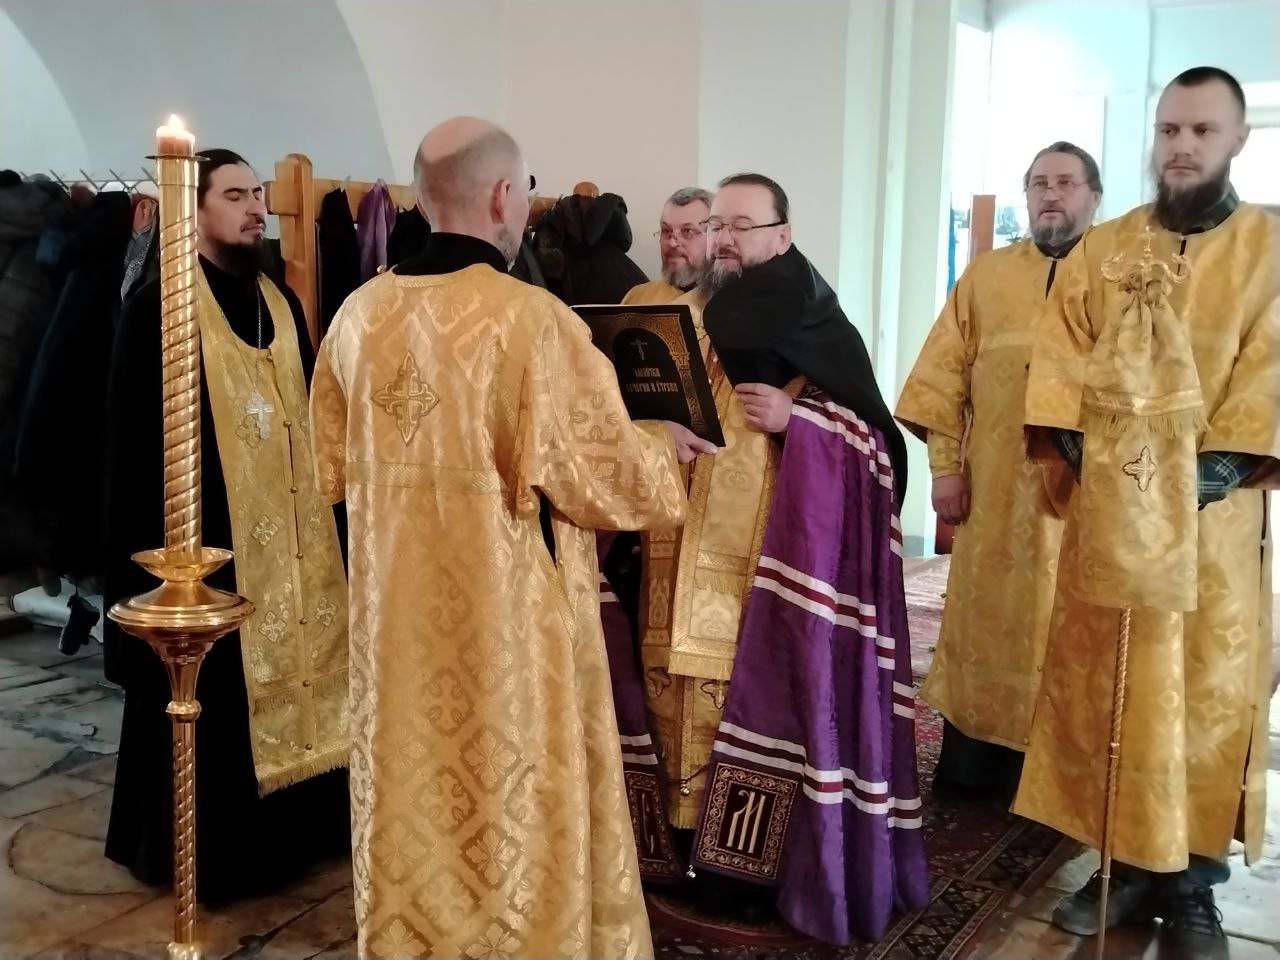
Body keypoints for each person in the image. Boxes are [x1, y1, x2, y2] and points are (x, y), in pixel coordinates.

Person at [310, 116, 713, 960]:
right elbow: (606, 481)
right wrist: (660, 445)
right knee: (510, 794)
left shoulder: (356, 317)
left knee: (413, 793)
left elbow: (328, 469)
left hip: (395, 632)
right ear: (503, 196)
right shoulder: (532, 321)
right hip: (507, 632)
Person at [625, 172, 927, 944]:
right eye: (715, 226)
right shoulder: (676, 316)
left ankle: (747, 872)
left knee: (752, 701)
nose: (723, 239)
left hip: (764, 567)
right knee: (668, 692)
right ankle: (677, 847)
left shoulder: (812, 319)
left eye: (741, 226)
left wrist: (801, 420)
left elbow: (877, 446)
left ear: (782, 237)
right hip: (670, 551)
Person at [1017, 67, 1278, 959]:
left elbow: (1271, 376)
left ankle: (1193, 888)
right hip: (1111, 526)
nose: (1182, 146)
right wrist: (1103, 474)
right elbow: (1059, 360)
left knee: (1204, 702)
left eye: (1203, 130)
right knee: (1112, 694)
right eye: (1170, 130)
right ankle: (1123, 866)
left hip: (1212, 531)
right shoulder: (1105, 245)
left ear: (1237, 139)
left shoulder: (1269, 249)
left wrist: (1192, 482)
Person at [103, 149, 351, 902]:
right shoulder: (161, 308)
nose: (255, 209)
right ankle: (217, 856)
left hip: (295, 538)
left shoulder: (279, 300)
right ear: (196, 209)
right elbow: (130, 448)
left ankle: (306, 835)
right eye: (236, 195)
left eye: (258, 195)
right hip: (211, 542)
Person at [895, 142, 1102, 799]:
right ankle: (975, 765)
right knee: (985, 625)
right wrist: (944, 470)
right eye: (1039, 183)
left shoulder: (1118, 277)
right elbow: (941, 379)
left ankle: (1058, 777)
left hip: (1082, 496)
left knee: (1068, 627)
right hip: (993, 492)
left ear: (1094, 196)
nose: (1051, 194)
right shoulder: (987, 276)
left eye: (1066, 182)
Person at [623, 186, 712, 305]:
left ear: (714, 238)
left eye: (687, 231)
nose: (672, 243)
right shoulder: (637, 297)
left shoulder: (728, 303)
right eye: (666, 230)